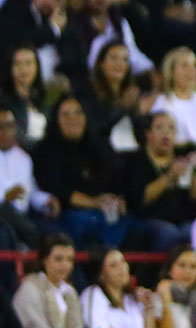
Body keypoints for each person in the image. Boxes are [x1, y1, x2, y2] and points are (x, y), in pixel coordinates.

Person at [32, 93, 129, 248]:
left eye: (78, 113)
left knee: (129, 222)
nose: (73, 119)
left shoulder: (97, 146)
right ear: (56, 119)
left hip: (103, 210)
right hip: (67, 212)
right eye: (66, 114)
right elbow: (55, 187)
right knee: (86, 221)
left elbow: (115, 176)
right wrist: (92, 202)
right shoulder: (46, 150)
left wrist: (118, 199)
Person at [124, 110, 196, 252]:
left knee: (195, 231)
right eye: (159, 128)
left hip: (181, 221)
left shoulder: (182, 159)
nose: (166, 133)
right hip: (148, 220)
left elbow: (193, 198)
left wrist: (195, 173)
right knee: (168, 234)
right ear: (148, 134)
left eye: (171, 128)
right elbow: (141, 199)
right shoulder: (137, 161)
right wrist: (169, 176)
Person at [81, 246, 175, 328]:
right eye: (113, 265)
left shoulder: (131, 298)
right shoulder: (94, 294)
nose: (121, 268)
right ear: (101, 274)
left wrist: (148, 309)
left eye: (123, 262)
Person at [0, 100, 58, 248]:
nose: (6, 131)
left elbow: (30, 192)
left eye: (9, 126)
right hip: (3, 213)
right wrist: (4, 198)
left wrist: (46, 200)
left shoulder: (23, 158)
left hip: (21, 215)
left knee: (54, 233)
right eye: (1, 127)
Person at [12, 231, 83, 328]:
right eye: (58, 259)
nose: (65, 265)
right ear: (44, 260)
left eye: (70, 260)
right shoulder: (30, 288)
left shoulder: (70, 291)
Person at [151, 46, 196, 146]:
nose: (191, 71)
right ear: (171, 72)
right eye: (184, 65)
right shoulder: (162, 102)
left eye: (194, 66)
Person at [156, 243, 196, 328]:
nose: (187, 271)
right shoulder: (157, 299)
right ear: (170, 269)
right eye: (182, 265)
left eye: (193, 267)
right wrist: (166, 300)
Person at [0, 43, 49, 147]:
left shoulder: (43, 99)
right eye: (17, 64)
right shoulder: (3, 101)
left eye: (28, 63)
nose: (23, 69)